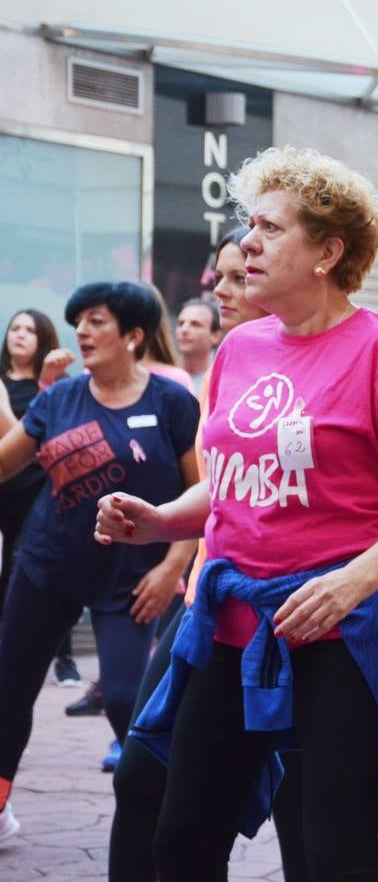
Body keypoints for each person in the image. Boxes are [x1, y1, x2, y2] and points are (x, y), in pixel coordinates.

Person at [92, 146, 378, 881]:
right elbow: (234, 486)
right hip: (230, 627)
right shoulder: (242, 349)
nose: (248, 244)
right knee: (182, 841)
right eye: (248, 225)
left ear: (328, 251)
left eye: (270, 228)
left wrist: (348, 585)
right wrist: (161, 518)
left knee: (329, 858)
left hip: (342, 637)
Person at [0, 282, 200, 845]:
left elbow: (205, 492)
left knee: (123, 700)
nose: (81, 333)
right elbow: (5, 464)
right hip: (46, 568)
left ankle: (161, 819)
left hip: (133, 581)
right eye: (78, 322)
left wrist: (171, 569)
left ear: (133, 336)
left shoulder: (171, 402)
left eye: (95, 321)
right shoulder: (57, 400)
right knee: (10, 691)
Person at [106, 226, 273, 882]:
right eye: (218, 276)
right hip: (210, 603)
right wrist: (162, 529)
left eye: (237, 276)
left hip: (298, 619)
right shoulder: (234, 363)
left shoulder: (350, 356)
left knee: (303, 832)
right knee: (143, 780)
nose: (220, 288)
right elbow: (218, 485)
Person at [0, 308, 83, 689]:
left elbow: (46, 441)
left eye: (29, 330)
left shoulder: (58, 385)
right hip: (5, 488)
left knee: (47, 571)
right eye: (14, 328)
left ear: (43, 338)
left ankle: (64, 659)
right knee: (7, 573)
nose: (18, 334)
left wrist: (45, 384)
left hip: (42, 489)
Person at [175, 297, 222, 393]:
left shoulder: (221, 384)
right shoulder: (159, 374)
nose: (184, 330)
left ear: (215, 336)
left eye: (195, 324)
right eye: (180, 323)